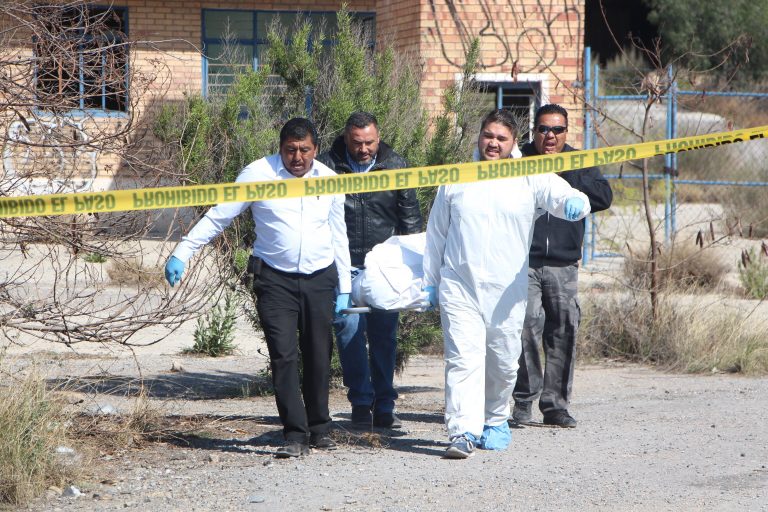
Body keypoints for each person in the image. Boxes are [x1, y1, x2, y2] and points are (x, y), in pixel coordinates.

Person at [163, 118, 351, 458]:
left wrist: (345, 286)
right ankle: (295, 433)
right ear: (280, 149)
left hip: (320, 277)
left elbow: (339, 234)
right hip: (274, 279)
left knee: (319, 354)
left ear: (316, 150)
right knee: (283, 355)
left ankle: (320, 427)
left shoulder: (329, 179)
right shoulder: (257, 174)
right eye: (290, 150)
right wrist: (183, 251)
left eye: (304, 150)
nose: (298, 157)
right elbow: (220, 216)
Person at [422, 108, 590, 459]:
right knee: (463, 359)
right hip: (459, 284)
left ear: (514, 143)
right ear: (478, 136)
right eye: (488, 135)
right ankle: (462, 431)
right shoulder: (457, 177)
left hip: (506, 290)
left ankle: (495, 418)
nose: (492, 143)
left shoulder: (528, 175)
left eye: (501, 138)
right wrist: (430, 283)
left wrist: (576, 203)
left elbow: (561, 194)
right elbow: (436, 234)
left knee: (502, 360)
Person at [318, 112, 422, 429]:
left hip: (384, 264)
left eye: (370, 142)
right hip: (342, 262)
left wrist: (416, 267)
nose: (363, 149)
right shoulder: (325, 166)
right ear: (346, 138)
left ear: (379, 137)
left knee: (384, 336)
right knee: (348, 332)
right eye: (357, 143)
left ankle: (385, 402)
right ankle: (361, 401)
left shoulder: (396, 164)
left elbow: (410, 218)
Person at [511, 104, 613, 428]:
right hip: (523, 262)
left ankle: (555, 406)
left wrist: (567, 181)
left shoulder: (578, 162)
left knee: (564, 330)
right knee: (524, 326)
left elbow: (604, 196)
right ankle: (524, 399)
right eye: (543, 129)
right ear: (534, 132)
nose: (550, 136)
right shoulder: (518, 161)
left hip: (564, 264)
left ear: (566, 133)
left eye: (557, 130)